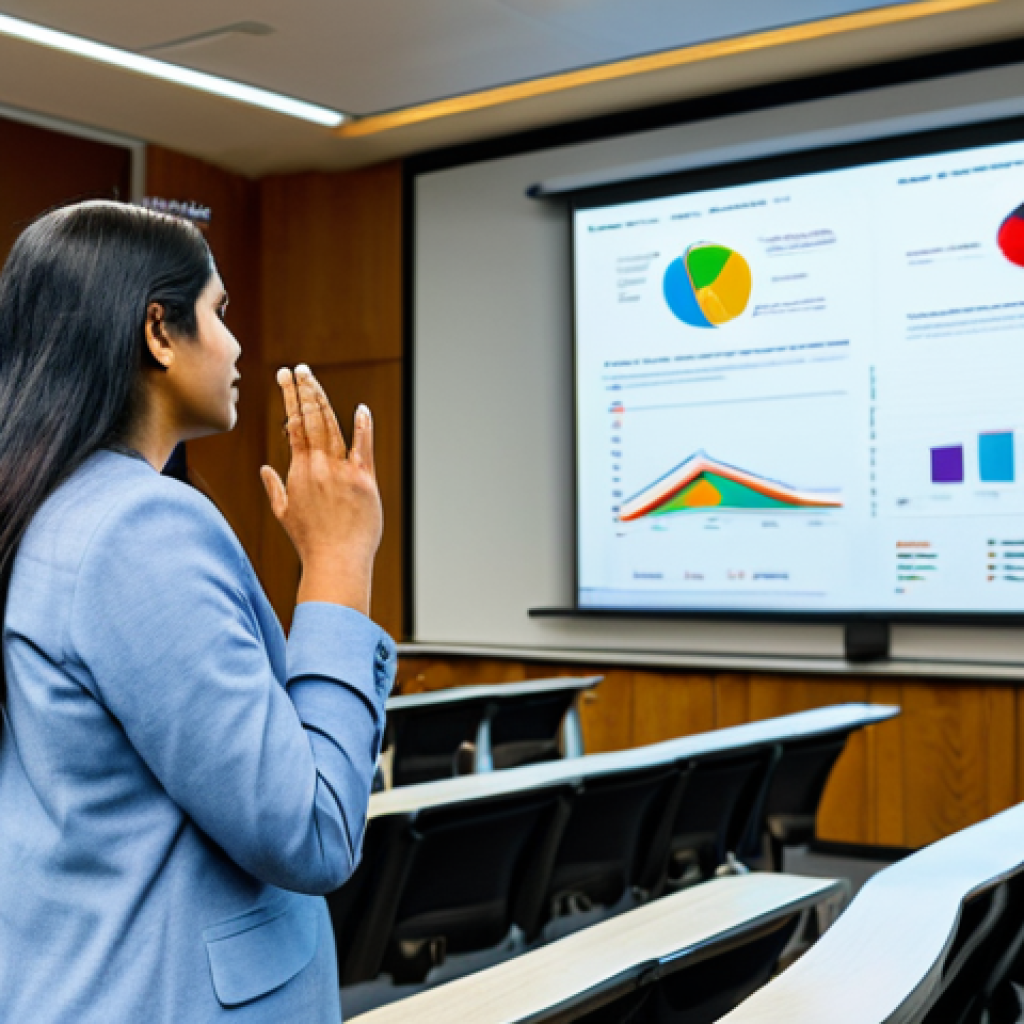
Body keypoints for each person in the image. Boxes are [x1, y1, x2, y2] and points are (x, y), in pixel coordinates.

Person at [0, 200, 395, 1022]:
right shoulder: (140, 526)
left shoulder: (45, 512)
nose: (238, 345)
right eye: (219, 314)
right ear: (157, 330)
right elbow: (313, 830)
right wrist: (338, 561)